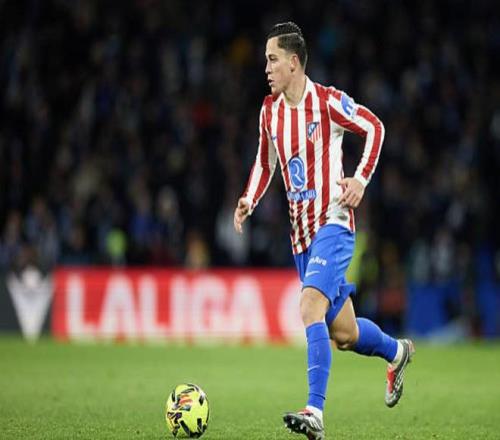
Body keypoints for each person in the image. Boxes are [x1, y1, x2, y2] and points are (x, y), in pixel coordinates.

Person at [233, 22, 415, 440]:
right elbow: (265, 162)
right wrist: (249, 199)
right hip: (301, 238)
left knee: (309, 307)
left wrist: (360, 180)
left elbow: (375, 127)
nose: (266, 68)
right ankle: (398, 351)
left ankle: (314, 411)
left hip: (333, 223)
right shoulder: (269, 111)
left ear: (294, 63)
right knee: (345, 334)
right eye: (266, 60)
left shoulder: (328, 102)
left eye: (272, 59)